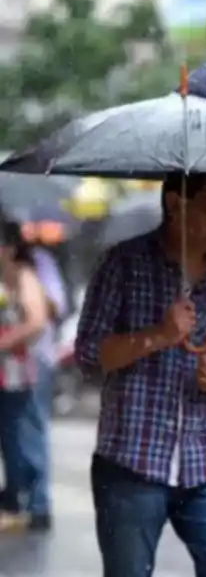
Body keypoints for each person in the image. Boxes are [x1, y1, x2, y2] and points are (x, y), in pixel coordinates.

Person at [75, 175, 206, 577]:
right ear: (175, 206)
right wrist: (158, 335)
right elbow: (88, 353)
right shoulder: (123, 264)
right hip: (132, 460)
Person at [0, 222, 54, 532]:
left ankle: (38, 504)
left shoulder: (24, 276)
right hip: (7, 369)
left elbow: (36, 322)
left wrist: (5, 342)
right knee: (11, 436)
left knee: (29, 433)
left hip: (30, 367)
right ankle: (17, 497)